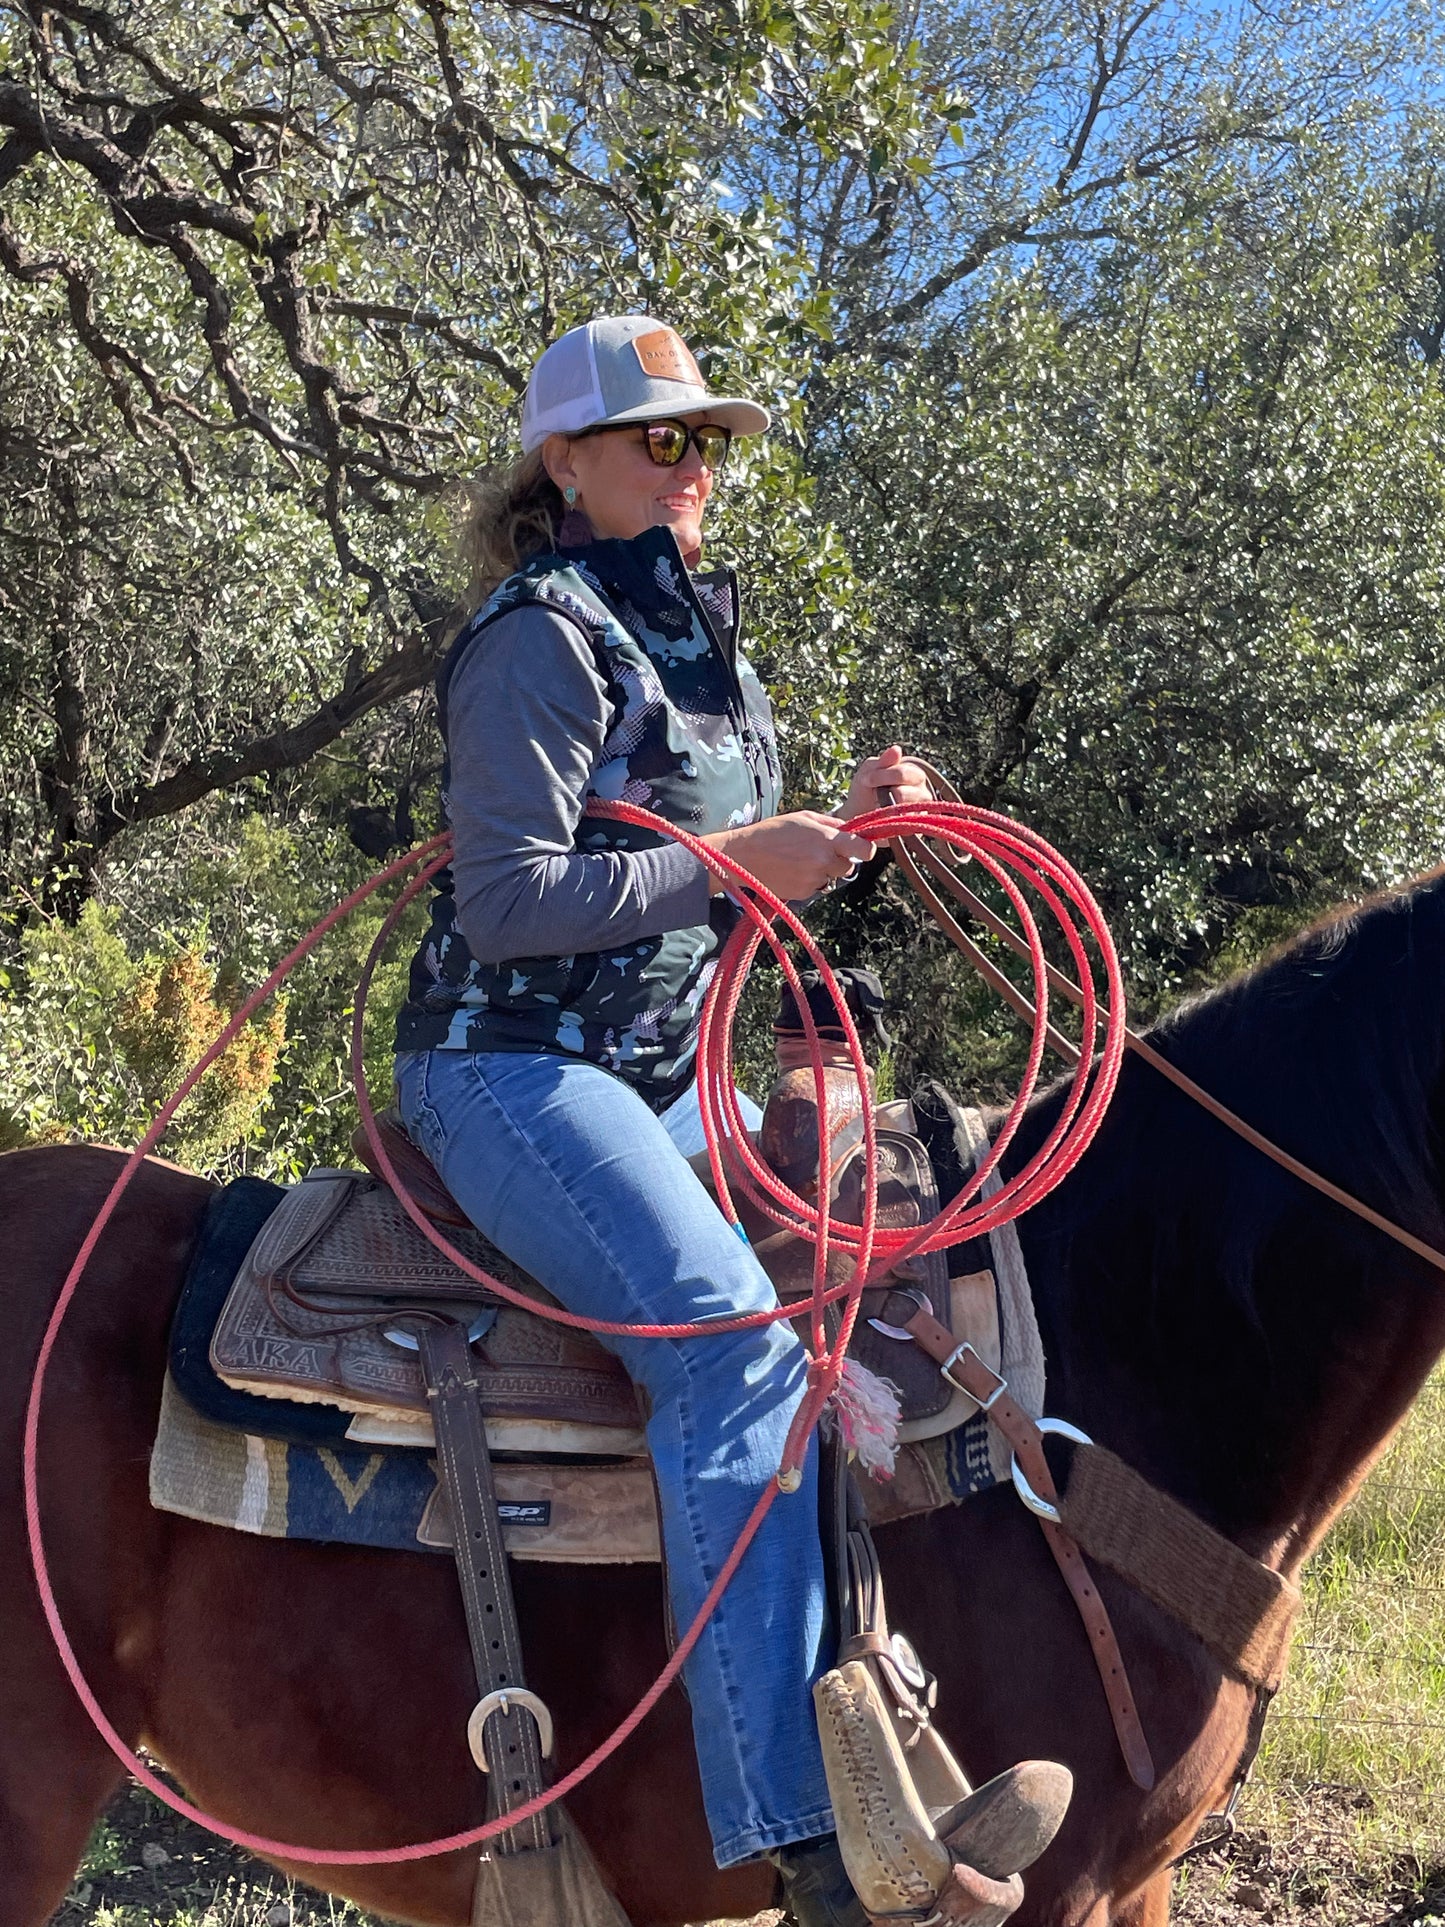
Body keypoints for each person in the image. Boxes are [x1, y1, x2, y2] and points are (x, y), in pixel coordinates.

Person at [392, 313, 930, 1926]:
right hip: (513, 1066)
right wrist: (730, 867)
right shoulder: (539, 635)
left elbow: (721, 859)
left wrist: (847, 840)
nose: (691, 468)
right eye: (657, 439)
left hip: (656, 1073)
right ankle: (798, 1834)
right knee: (733, 1355)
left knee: (872, 1295)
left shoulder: (700, 645)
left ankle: (888, 1713)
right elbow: (503, 898)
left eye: (704, 442)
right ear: (564, 464)